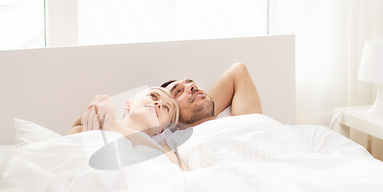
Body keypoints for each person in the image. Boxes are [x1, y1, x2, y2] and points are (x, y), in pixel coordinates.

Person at [78, 63, 262, 132]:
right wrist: (106, 101)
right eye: (178, 92)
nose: (192, 86)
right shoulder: (171, 139)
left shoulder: (244, 123)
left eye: (192, 84)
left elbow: (239, 70)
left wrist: (201, 105)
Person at [68, 87, 188, 170]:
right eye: (153, 96)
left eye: (166, 108)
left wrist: (113, 126)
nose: (159, 104)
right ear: (128, 104)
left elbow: (184, 171)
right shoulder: (91, 129)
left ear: (162, 129)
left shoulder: (162, 150)